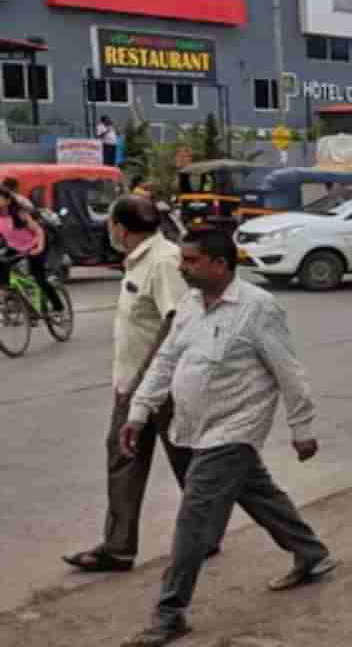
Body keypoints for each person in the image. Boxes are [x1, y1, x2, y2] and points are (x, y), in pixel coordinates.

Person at [119, 230, 336, 647]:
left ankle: (170, 613)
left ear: (220, 264)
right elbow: (166, 361)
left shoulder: (257, 308)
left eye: (190, 261)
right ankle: (311, 552)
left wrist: (302, 427)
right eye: (182, 259)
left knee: (194, 517)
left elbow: (288, 371)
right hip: (196, 425)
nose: (181, 267)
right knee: (257, 492)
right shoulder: (187, 305)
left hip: (235, 428)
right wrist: (139, 411)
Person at [63, 198, 211, 575]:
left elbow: (178, 320)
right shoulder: (142, 260)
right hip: (133, 384)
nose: (109, 229)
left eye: (111, 222)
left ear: (120, 228)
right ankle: (118, 548)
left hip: (164, 386)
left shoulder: (163, 261)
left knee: (188, 462)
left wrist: (149, 378)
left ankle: (208, 533)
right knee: (123, 457)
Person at [0, 185, 64, 316]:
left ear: (8, 200)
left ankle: (58, 306)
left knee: (39, 278)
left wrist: (39, 248)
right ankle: (12, 297)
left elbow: (38, 231)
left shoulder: (19, 213)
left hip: (36, 244)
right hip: (15, 247)